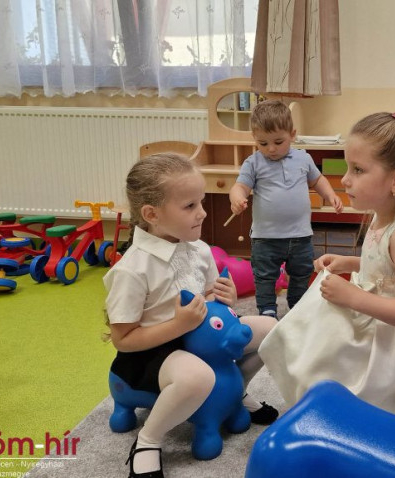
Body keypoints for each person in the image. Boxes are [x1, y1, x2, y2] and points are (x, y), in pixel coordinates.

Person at [259, 112, 395, 430]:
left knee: (363, 395)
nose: (345, 180)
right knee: (309, 342)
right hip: (376, 318)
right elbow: (389, 270)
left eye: (358, 170)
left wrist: (352, 297)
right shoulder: (381, 214)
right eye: (348, 168)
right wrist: (350, 263)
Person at [104, 153, 279, 478]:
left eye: (201, 202)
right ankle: (148, 440)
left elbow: (209, 299)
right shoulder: (132, 269)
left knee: (272, 330)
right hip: (153, 353)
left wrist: (224, 299)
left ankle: (236, 392)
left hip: (200, 338)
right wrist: (179, 325)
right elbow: (123, 340)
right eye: (189, 206)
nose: (203, 212)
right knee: (198, 377)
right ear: (152, 214)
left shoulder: (198, 249)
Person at [229, 99, 343, 319]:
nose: (271, 149)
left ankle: (297, 305)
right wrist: (237, 198)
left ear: (292, 134)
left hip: (300, 235)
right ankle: (267, 310)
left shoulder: (303, 158)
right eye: (263, 143)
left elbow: (318, 180)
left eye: (278, 141)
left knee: (302, 273)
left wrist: (330, 195)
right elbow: (240, 187)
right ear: (254, 138)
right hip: (266, 237)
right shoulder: (253, 162)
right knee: (264, 276)